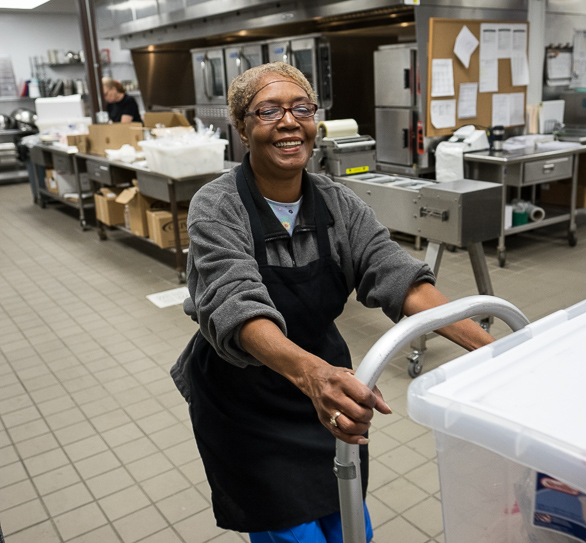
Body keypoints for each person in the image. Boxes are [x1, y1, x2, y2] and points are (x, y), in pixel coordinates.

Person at [171, 62, 495, 543]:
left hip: (327, 391)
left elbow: (395, 274)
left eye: (301, 108)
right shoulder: (216, 207)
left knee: (349, 524)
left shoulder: (338, 203)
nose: (288, 121)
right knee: (295, 536)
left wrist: (492, 348)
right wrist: (309, 374)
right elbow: (235, 303)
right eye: (268, 110)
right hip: (247, 403)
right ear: (242, 127)